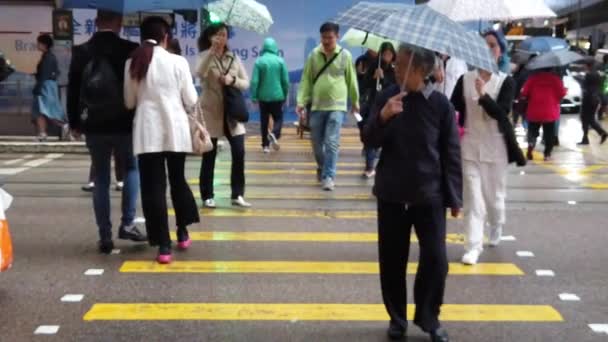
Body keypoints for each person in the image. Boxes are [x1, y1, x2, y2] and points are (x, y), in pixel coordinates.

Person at [363, 43, 462, 342]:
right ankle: (397, 318)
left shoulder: (441, 105)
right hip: (392, 192)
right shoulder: (387, 96)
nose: (395, 68)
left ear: (420, 70)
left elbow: (451, 153)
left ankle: (429, 317)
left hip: (428, 194)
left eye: (402, 64)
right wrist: (383, 116)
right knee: (392, 259)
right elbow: (369, 139)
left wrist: (455, 196)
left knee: (436, 259)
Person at [67, 10, 145, 254]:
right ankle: (128, 224)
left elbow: (73, 90)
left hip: (94, 125)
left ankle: (104, 236)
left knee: (101, 177)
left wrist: (74, 122)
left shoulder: (81, 51)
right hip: (125, 123)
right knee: (131, 168)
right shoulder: (130, 49)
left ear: (96, 22)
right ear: (119, 24)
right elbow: (138, 87)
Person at [124, 16, 200, 264]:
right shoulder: (178, 61)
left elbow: (129, 102)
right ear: (166, 37)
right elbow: (190, 99)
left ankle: (163, 246)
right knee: (177, 180)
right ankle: (182, 231)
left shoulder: (133, 62)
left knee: (153, 188)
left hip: (147, 132)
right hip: (176, 130)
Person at [451, 30, 525, 266]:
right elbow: (451, 106)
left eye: (493, 46)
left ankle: (497, 222)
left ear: (500, 51)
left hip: (496, 146)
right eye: (484, 45)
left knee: (494, 199)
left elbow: (501, 112)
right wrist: (438, 79)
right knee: (473, 198)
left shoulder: (506, 81)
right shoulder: (465, 79)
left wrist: (483, 95)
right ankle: (473, 246)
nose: (488, 49)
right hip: (470, 146)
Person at [296, 22, 360, 191]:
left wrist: (355, 100)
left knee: (331, 142)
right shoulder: (313, 55)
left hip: (337, 106)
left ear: (337, 37)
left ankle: (329, 176)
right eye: (324, 37)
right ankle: (322, 166)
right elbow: (306, 80)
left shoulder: (345, 56)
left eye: (330, 37)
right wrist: (301, 101)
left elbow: (351, 80)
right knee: (316, 143)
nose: (326, 41)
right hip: (317, 106)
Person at [196, 23, 251, 208]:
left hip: (231, 113)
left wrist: (232, 80)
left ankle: (237, 194)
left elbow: (246, 83)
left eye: (224, 35)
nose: (221, 38)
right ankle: (207, 195)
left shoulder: (233, 57)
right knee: (209, 154)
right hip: (211, 111)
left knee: (239, 152)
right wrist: (211, 52)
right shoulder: (204, 56)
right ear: (210, 37)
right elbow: (199, 74)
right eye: (218, 35)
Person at [359, 42, 396, 178]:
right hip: (374, 105)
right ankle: (369, 167)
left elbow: (395, 87)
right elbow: (364, 85)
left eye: (390, 54)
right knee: (371, 133)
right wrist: (373, 77)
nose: (387, 56)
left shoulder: (395, 69)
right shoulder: (375, 65)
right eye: (385, 54)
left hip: (390, 108)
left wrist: (383, 78)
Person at [250, 37, 289, 153]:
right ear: (275, 48)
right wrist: (285, 94)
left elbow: (254, 81)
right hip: (277, 96)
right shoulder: (280, 61)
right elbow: (285, 81)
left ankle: (265, 146)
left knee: (264, 121)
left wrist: (254, 96)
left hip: (263, 97)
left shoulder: (259, 61)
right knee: (278, 118)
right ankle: (274, 133)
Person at [521, 68, 567, 161]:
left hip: (534, 109)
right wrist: (564, 91)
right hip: (550, 111)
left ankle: (531, 144)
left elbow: (524, 93)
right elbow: (561, 94)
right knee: (549, 133)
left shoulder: (532, 79)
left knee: (532, 131)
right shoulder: (555, 79)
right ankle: (547, 154)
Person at [32, 34, 66, 142]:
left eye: (38, 43)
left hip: (45, 87)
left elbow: (45, 74)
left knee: (48, 110)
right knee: (41, 111)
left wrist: (38, 88)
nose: (37, 45)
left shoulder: (48, 57)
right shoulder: (48, 56)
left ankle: (66, 127)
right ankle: (43, 133)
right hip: (47, 86)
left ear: (44, 44)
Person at [579, 60, 608, 145]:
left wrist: (581, 79)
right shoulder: (599, 74)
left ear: (587, 65)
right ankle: (602, 133)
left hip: (588, 99)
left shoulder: (588, 74)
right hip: (596, 99)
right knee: (590, 119)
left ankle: (585, 138)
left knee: (584, 118)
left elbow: (584, 86)